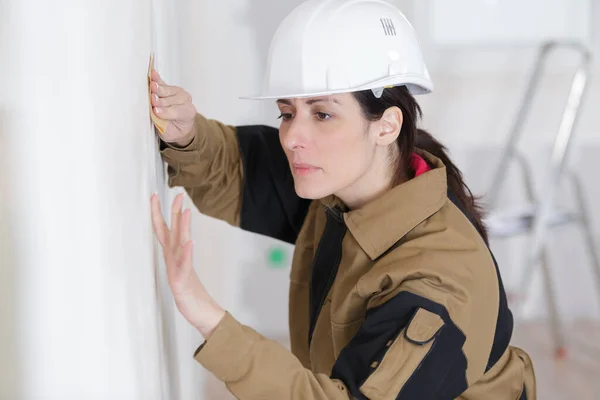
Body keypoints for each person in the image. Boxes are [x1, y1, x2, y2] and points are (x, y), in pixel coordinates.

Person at [148, 0, 536, 398]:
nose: (292, 137)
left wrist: (208, 317)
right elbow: (238, 172)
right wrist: (186, 134)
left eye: (323, 115)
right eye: (287, 112)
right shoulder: (348, 188)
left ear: (387, 125)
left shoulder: (437, 284)